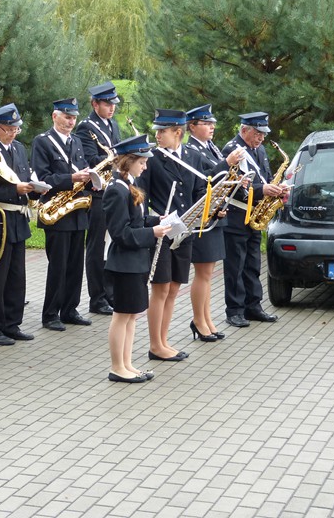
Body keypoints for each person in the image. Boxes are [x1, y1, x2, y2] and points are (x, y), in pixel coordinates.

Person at [136, 109, 206, 361]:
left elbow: (200, 190)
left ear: (178, 132)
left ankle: (164, 341)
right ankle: (155, 345)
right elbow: (140, 196)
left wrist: (209, 211)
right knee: (161, 288)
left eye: (162, 131)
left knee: (174, 287)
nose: (157, 135)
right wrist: (150, 221)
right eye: (157, 130)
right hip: (162, 231)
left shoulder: (192, 156)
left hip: (184, 230)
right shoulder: (153, 159)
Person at [103, 134, 171, 383]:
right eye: (141, 162)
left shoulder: (128, 185)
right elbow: (121, 233)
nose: (145, 166)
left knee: (131, 315)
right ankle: (116, 367)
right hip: (124, 263)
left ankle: (127, 363)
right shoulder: (116, 190)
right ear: (128, 161)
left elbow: (136, 221)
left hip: (136, 261)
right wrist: (152, 233)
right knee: (122, 315)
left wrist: (156, 221)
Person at [184, 104, 245, 341]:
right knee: (203, 272)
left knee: (208, 273)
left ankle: (206, 319)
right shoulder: (191, 150)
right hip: (202, 218)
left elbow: (221, 179)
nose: (212, 128)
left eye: (213, 124)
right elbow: (205, 180)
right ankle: (199, 320)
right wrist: (227, 163)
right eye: (206, 123)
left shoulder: (210, 147)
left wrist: (237, 181)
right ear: (192, 127)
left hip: (216, 214)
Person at [221, 112, 288, 327]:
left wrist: (277, 188)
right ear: (244, 130)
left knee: (253, 264)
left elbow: (265, 177)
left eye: (263, 134)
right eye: (258, 133)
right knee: (235, 266)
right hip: (237, 215)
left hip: (255, 214)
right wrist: (263, 190)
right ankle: (234, 310)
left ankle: (253, 306)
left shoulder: (259, 150)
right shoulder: (234, 150)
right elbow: (236, 187)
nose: (261, 138)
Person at [31, 98, 93, 332]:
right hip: (56, 213)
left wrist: (92, 180)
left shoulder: (76, 141)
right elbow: (42, 178)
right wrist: (71, 179)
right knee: (58, 266)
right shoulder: (42, 142)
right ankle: (50, 314)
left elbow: (82, 169)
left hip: (77, 212)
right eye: (67, 117)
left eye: (74, 117)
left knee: (76, 266)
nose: (71, 122)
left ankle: (70, 309)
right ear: (54, 116)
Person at [0, 103, 36, 345]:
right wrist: (15, 190)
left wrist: (35, 189)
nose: (13, 133)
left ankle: (12, 324)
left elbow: (25, 176)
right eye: (8, 129)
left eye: (15, 129)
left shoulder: (19, 149)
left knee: (16, 277)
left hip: (17, 219)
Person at [74, 82, 121, 315]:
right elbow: (90, 159)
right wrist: (115, 161)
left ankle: (111, 293)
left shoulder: (113, 124)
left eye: (113, 104)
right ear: (95, 104)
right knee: (96, 246)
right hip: (98, 193)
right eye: (107, 104)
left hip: (114, 191)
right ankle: (97, 297)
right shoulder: (86, 127)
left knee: (112, 244)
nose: (112, 108)